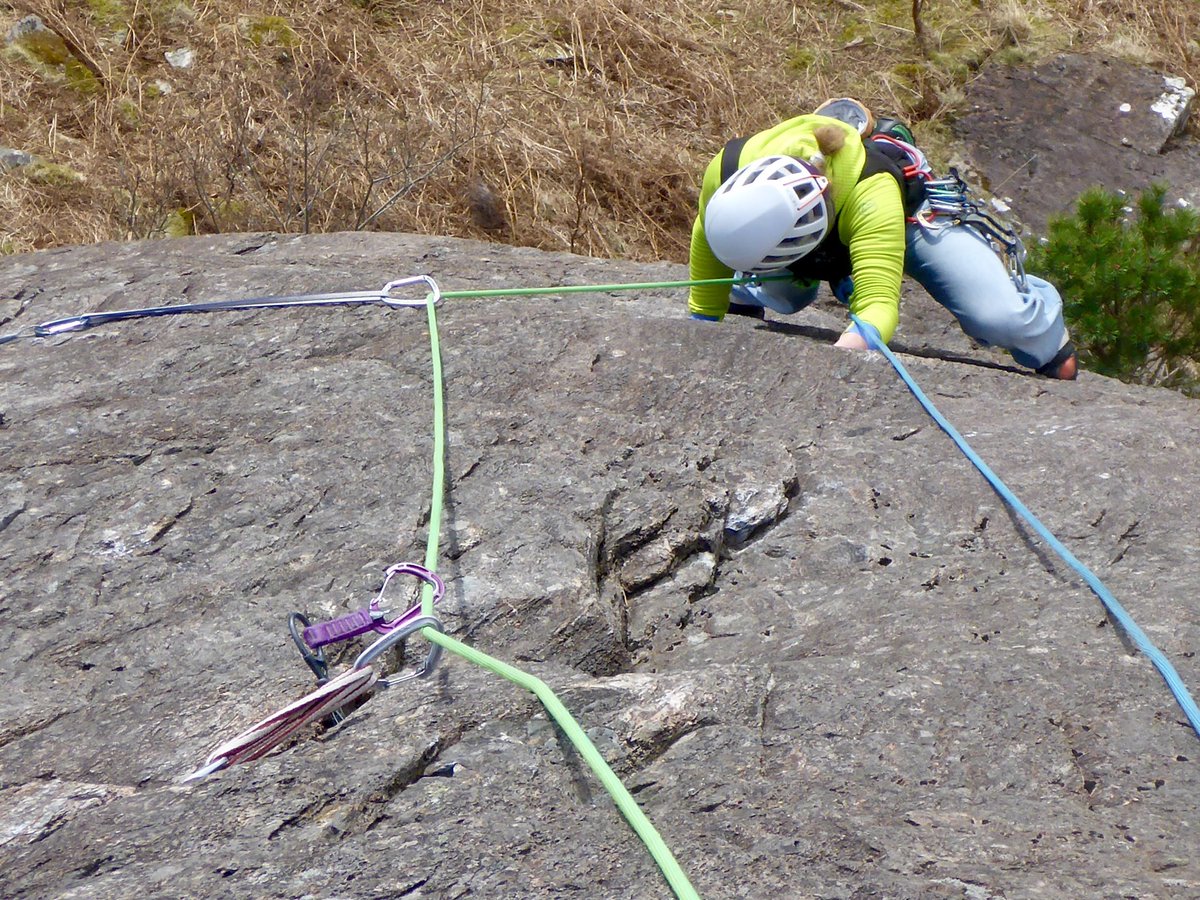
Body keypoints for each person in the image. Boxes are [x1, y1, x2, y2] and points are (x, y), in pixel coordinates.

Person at [687, 100, 1078, 379]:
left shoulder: (872, 191)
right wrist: (704, 318)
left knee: (1000, 319)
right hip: (813, 232)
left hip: (908, 219)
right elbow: (708, 234)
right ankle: (765, 285)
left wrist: (838, 360)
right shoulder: (726, 168)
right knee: (784, 296)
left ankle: (1041, 329)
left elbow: (878, 306)